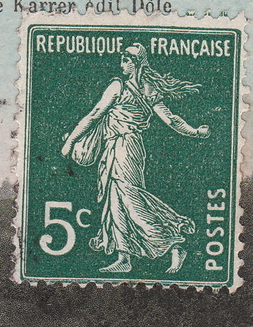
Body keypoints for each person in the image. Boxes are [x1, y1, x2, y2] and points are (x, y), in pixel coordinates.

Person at [60, 43, 209, 274]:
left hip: (122, 147)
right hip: (127, 148)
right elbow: (171, 120)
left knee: (130, 200)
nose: (122, 64)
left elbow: (96, 114)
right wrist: (195, 132)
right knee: (117, 201)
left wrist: (70, 141)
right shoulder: (149, 89)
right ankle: (124, 257)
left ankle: (174, 245)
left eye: (126, 59)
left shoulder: (118, 86)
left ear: (136, 62)